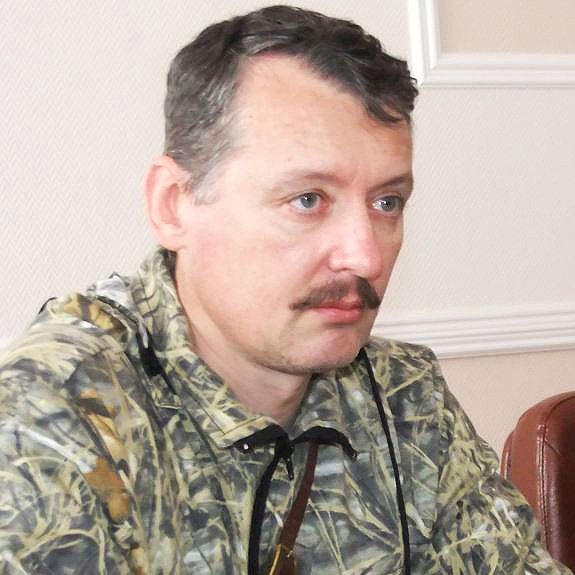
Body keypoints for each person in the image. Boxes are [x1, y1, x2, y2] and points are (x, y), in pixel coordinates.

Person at [0, 5, 570, 575]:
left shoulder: (405, 397)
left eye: (386, 202)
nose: (366, 257)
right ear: (173, 205)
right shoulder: (54, 416)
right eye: (308, 200)